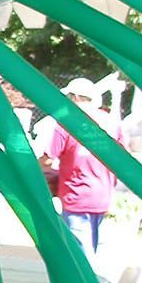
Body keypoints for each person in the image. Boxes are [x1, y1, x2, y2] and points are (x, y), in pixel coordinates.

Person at [38, 77, 123, 258]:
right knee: (91, 248)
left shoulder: (68, 122)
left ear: (74, 97)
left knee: (81, 256)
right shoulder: (111, 123)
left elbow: (48, 159)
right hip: (102, 195)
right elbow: (122, 160)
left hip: (76, 195)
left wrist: (29, 169)